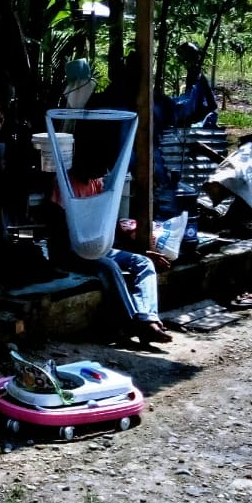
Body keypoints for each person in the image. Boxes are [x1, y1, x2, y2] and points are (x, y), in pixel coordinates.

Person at [45, 129, 172, 347]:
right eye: (99, 165)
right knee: (109, 266)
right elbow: (58, 231)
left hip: (97, 247)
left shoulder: (96, 183)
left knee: (143, 262)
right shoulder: (63, 184)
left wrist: (137, 251)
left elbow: (106, 225)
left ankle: (147, 317)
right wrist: (87, 246)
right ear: (82, 160)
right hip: (70, 250)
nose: (103, 171)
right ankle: (133, 324)